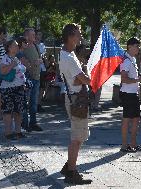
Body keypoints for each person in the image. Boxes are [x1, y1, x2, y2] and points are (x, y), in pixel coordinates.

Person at [58, 24, 92, 185]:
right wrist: (88, 75)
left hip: (75, 97)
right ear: (70, 37)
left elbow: (79, 77)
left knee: (79, 135)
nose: (80, 37)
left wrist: (82, 75)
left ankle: (68, 166)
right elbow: (85, 80)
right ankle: (71, 173)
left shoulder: (66, 53)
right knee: (77, 138)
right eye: (78, 34)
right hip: (77, 99)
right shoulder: (69, 58)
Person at [119, 37, 141, 153]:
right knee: (127, 119)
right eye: (136, 46)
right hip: (127, 94)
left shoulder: (132, 59)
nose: (138, 48)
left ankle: (133, 144)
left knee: (136, 119)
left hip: (133, 94)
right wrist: (138, 80)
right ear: (129, 46)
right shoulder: (126, 61)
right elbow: (124, 79)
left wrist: (138, 79)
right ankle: (124, 145)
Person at [0, 40, 26, 140]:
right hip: (7, 88)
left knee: (18, 110)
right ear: (9, 48)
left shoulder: (16, 58)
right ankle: (8, 132)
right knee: (8, 111)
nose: (17, 47)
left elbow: (20, 73)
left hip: (19, 87)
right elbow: (2, 72)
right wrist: (12, 65)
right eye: (15, 45)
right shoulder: (5, 58)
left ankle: (18, 131)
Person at [22, 28, 43, 131]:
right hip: (27, 78)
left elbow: (40, 59)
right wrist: (33, 64)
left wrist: (40, 61)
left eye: (35, 34)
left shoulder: (35, 46)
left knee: (34, 102)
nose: (35, 36)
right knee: (25, 101)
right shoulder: (23, 47)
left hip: (36, 77)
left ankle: (33, 123)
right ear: (26, 36)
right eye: (33, 35)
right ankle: (24, 123)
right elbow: (21, 62)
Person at [36, 30, 47, 112]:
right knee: (36, 87)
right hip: (35, 68)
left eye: (41, 35)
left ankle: (39, 103)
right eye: (38, 34)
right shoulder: (32, 45)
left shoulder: (42, 45)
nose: (40, 36)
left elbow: (43, 55)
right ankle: (34, 103)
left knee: (42, 87)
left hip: (42, 68)